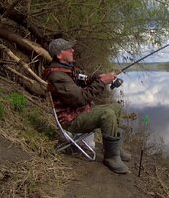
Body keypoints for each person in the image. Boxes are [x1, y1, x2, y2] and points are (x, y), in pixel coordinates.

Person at [43, 38, 130, 174]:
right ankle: (111, 157)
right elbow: (81, 98)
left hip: (80, 112)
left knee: (116, 107)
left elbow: (83, 79)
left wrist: (99, 77)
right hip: (71, 120)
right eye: (68, 49)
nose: (73, 50)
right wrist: (101, 82)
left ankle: (115, 148)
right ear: (59, 55)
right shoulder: (57, 76)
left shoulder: (67, 70)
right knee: (107, 114)